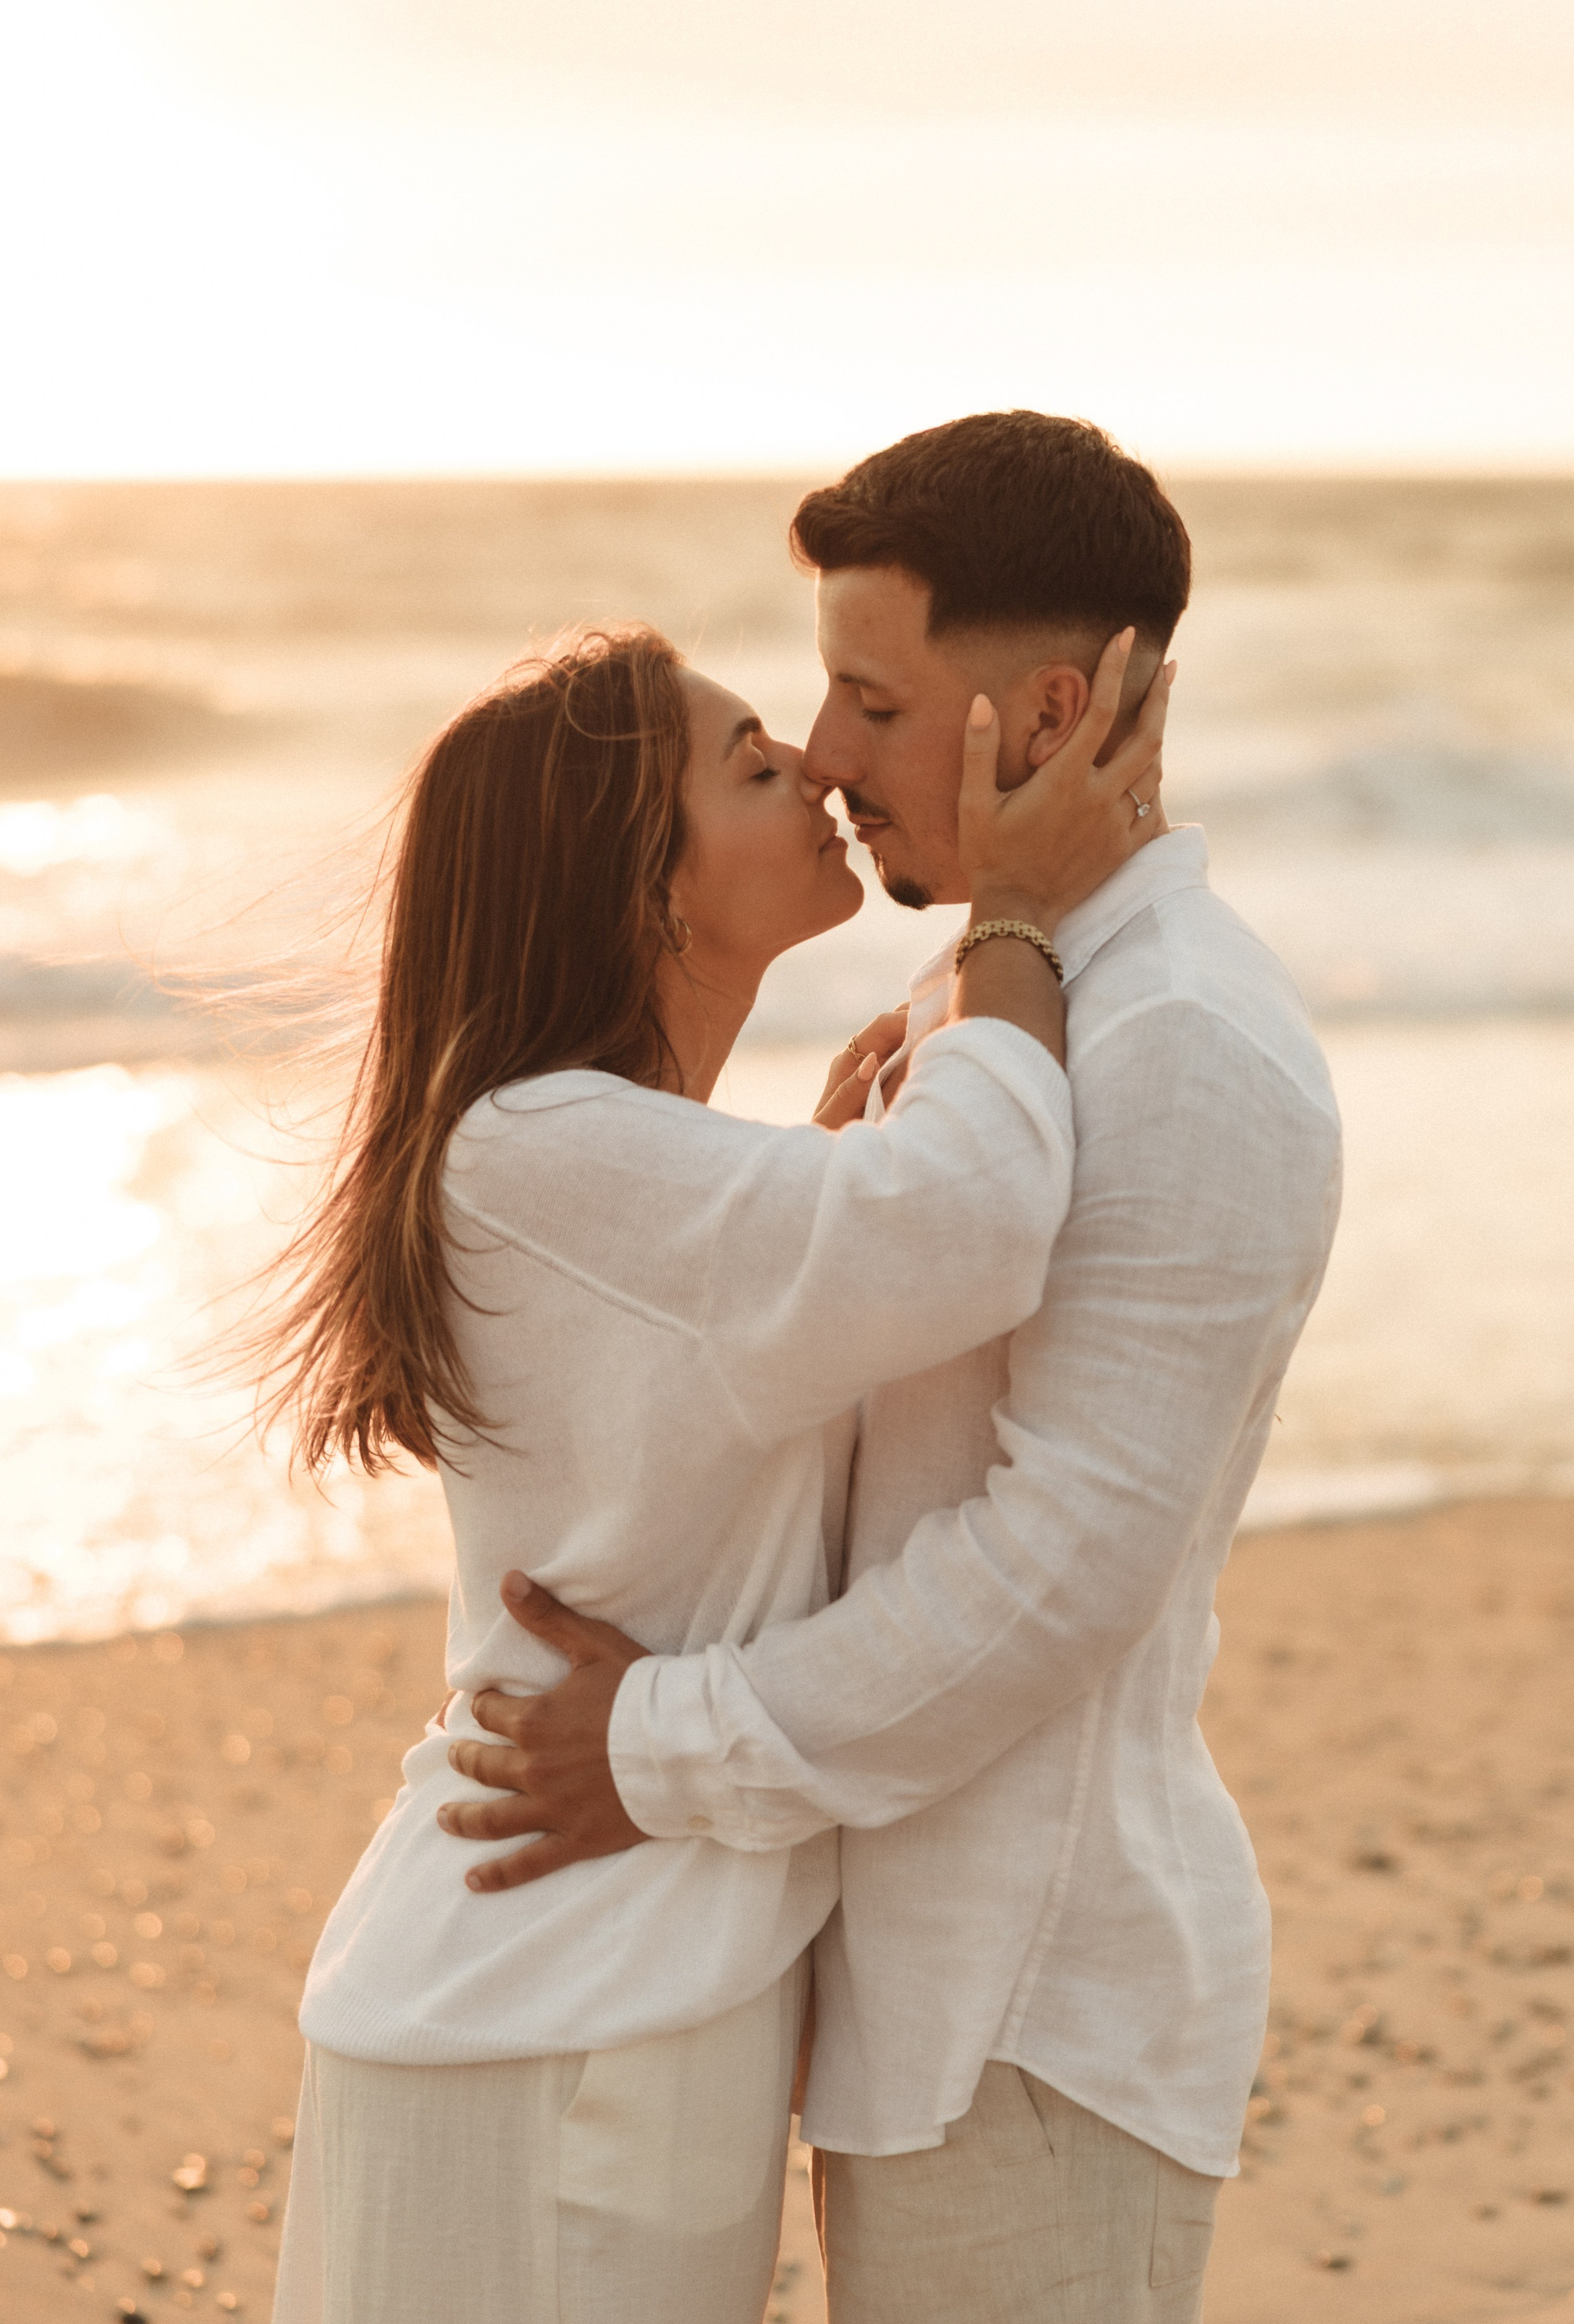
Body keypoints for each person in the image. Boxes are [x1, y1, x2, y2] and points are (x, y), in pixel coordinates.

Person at [436, 412, 1344, 2323]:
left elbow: (1056, 1571)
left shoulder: (1183, 1045)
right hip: (907, 1985)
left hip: (1034, 2007)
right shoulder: (995, 998)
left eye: (868, 701)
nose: (826, 757)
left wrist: (655, 1748)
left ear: (1054, 708)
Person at [266, 611, 1169, 2324]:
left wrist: (826, 1169)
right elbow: (975, 1225)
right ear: (643, 886)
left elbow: (744, 1389)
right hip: (556, 2010)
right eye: (755, 766)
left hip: (601, 1987)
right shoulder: (545, 1148)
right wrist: (1022, 915)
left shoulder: (605, 1163)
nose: (821, 770)